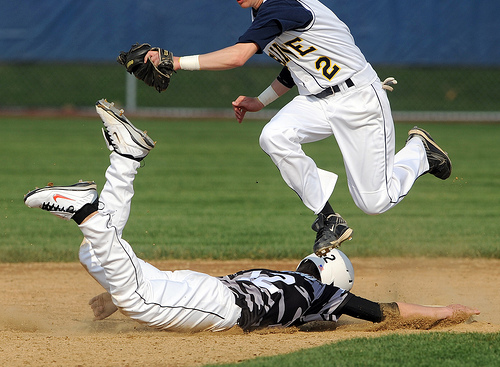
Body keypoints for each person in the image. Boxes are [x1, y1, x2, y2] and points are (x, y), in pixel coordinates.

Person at [23, 100, 477, 332]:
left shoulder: (276, 274)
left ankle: (125, 158)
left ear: (309, 263)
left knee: (99, 262)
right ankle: (86, 210)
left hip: (212, 287)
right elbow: (384, 312)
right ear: (333, 284)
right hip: (221, 306)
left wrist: (112, 300)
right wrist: (446, 311)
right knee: (141, 296)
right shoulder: (320, 296)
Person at [144, 0, 453, 257]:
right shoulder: (260, 11)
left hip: (359, 99)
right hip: (317, 102)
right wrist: (260, 101)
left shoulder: (281, 5)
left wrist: (176, 62)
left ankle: (420, 153)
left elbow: (238, 57)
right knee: (274, 136)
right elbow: (293, 68)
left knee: (374, 202)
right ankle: (328, 218)